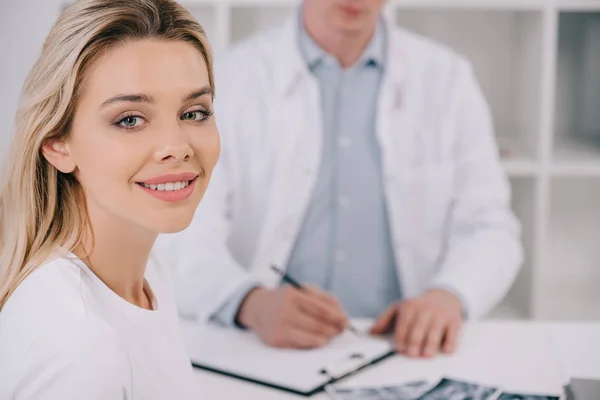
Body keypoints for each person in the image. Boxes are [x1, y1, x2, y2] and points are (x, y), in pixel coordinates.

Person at [156, 0, 523, 358]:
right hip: (265, 350)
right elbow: (182, 227)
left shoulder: (446, 80)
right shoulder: (232, 79)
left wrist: (450, 295)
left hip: (402, 351)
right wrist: (250, 302)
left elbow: (490, 227)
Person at [0, 0, 219, 398]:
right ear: (58, 144)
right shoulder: (79, 346)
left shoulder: (149, 270)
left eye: (194, 112)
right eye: (130, 119)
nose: (176, 146)